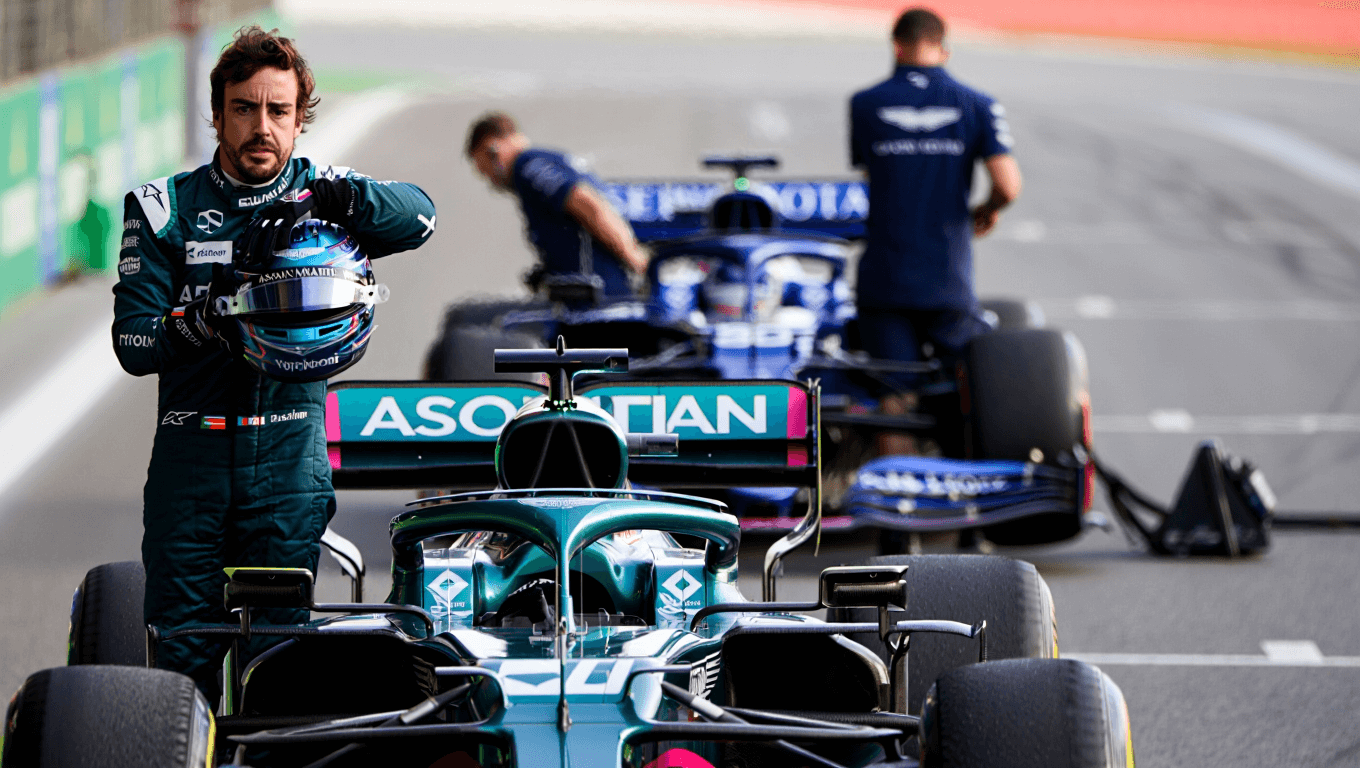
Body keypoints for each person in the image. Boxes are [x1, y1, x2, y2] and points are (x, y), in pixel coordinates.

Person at [112, 25, 437, 701]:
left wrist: (336, 200)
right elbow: (132, 343)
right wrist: (208, 317)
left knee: (279, 666)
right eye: (244, 108)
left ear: (299, 119)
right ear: (217, 114)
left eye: (278, 111)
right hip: (190, 459)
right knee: (180, 661)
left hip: (288, 459)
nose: (262, 126)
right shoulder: (162, 207)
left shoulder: (325, 193)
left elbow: (421, 217)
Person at [849, 7, 1021, 371]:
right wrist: (986, 210)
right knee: (974, 390)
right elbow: (1008, 186)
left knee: (894, 399)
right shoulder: (978, 104)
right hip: (947, 281)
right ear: (944, 48)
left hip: (884, 280)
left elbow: (871, 178)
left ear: (896, 47)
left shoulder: (865, 105)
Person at [465, 112, 647, 302]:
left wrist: (634, 257)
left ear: (493, 149)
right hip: (600, 292)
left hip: (595, 299)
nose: (491, 180)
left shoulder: (529, 166)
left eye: (485, 171)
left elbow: (586, 202)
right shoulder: (548, 161)